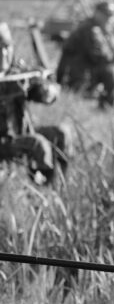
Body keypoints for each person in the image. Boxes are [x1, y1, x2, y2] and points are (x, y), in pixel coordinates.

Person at [0, 22, 68, 184]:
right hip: (3, 141)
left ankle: (59, 185)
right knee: (37, 143)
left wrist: (47, 92)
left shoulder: (17, 72)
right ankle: (38, 188)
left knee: (59, 133)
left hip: (19, 134)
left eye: (6, 47)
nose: (3, 54)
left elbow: (37, 91)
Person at [56, 0, 114, 109]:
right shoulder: (90, 29)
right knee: (112, 71)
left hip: (85, 71)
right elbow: (100, 57)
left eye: (111, 15)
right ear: (97, 13)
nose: (109, 18)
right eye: (106, 14)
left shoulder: (102, 29)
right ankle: (108, 105)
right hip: (76, 75)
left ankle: (110, 102)